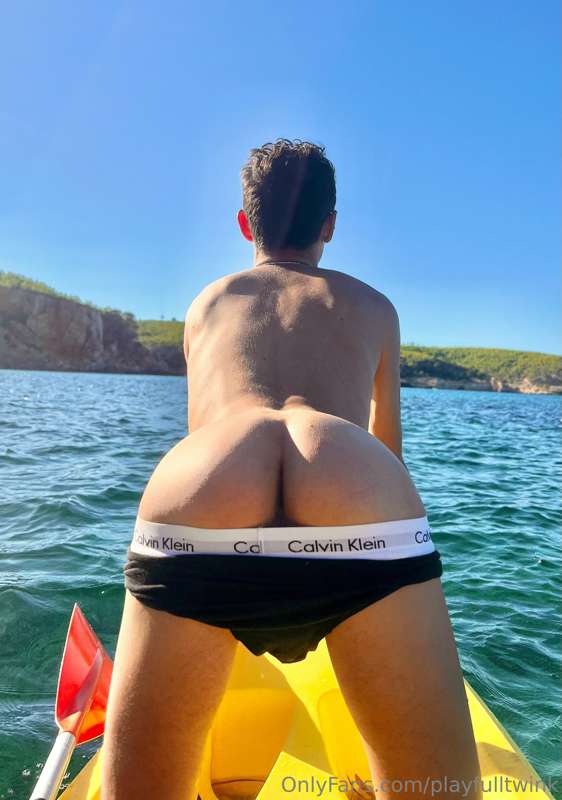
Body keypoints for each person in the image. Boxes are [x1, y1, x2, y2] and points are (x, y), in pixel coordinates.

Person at [102, 139, 481, 799]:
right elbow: (388, 450)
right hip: (349, 474)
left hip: (211, 478)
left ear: (244, 223)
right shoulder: (375, 307)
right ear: (329, 225)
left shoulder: (207, 303)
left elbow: (205, 440)